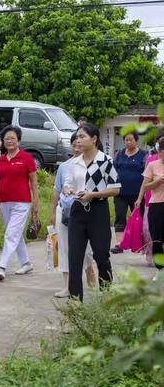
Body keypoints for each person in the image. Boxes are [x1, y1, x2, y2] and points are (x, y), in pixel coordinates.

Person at [64, 123, 121, 301]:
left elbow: (115, 189)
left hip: (98, 211)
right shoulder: (74, 162)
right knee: (74, 258)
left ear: (94, 138)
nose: (78, 140)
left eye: (82, 136)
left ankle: (107, 296)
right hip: (78, 211)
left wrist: (93, 195)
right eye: (77, 137)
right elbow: (69, 183)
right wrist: (67, 189)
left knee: (101, 256)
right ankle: (75, 302)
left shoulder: (106, 161)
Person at [0, 125, 39, 281]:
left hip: (22, 202)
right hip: (4, 202)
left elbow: (33, 181)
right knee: (15, 234)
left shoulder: (26, 158)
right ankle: (26, 263)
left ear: (18, 140)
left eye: (12, 138)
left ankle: (2, 267)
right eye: (6, 139)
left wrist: (35, 203)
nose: (9, 141)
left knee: (11, 234)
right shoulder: (2, 159)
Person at [52, 132, 95, 298]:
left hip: (85, 212)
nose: (77, 148)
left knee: (85, 249)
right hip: (64, 212)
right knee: (64, 248)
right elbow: (57, 190)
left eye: (80, 144)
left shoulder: (91, 165)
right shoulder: (64, 167)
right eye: (74, 145)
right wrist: (53, 211)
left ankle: (89, 265)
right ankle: (67, 286)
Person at [111, 131, 147, 253]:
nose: (128, 142)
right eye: (126, 140)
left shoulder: (143, 155)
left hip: (138, 194)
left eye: (131, 140)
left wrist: (141, 196)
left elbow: (147, 174)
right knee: (120, 217)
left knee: (139, 219)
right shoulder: (119, 154)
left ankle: (140, 244)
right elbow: (113, 170)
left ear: (136, 141)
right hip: (120, 193)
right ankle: (119, 244)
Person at [142, 135, 164, 281]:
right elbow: (145, 186)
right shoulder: (153, 165)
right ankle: (159, 270)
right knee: (157, 240)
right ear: (160, 151)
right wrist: (158, 181)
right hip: (156, 205)